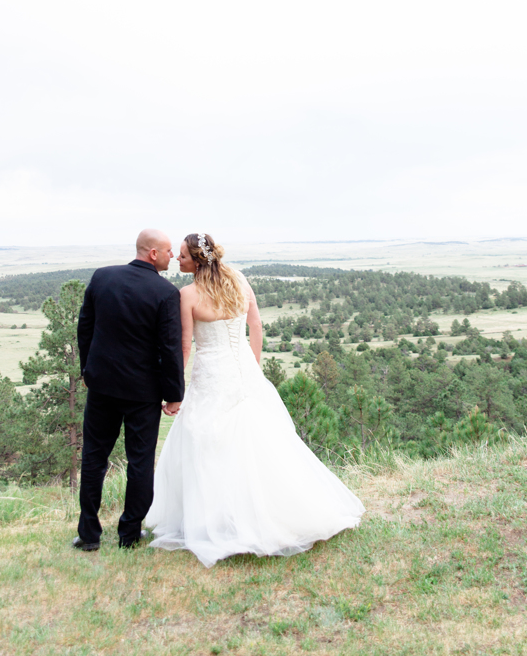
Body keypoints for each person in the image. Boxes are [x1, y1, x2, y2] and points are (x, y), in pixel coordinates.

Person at [145, 233, 364, 567]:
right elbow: (256, 325)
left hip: (212, 374)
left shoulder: (187, 294)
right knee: (258, 441)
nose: (178, 259)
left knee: (207, 442)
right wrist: (254, 366)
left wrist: (173, 391)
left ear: (197, 260)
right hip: (243, 369)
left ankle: (219, 520)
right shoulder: (239, 282)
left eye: (184, 256)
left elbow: (185, 347)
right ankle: (250, 514)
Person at [73, 229, 184, 550]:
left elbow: (85, 327)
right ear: (152, 253)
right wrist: (174, 392)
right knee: (139, 462)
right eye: (167, 251)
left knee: (94, 458)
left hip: (102, 386)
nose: (172, 256)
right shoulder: (165, 292)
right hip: (142, 392)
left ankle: (89, 535)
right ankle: (129, 534)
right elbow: (169, 348)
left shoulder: (102, 277)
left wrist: (86, 370)